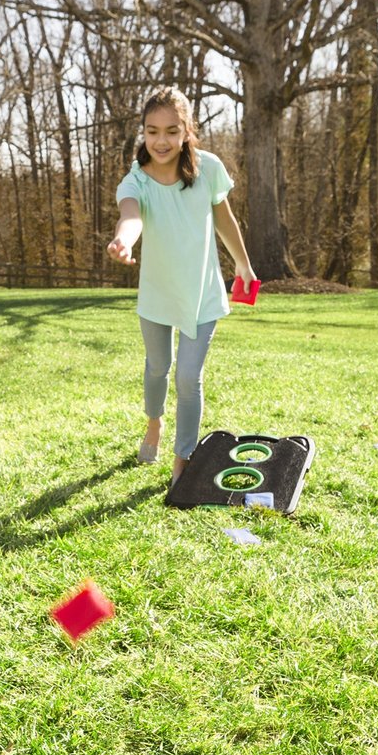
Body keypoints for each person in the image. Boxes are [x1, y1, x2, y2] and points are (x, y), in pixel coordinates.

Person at [107, 86, 257, 482]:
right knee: (158, 367)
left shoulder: (207, 169)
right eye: (152, 131)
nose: (161, 141)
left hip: (202, 293)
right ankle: (153, 423)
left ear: (188, 130)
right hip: (158, 292)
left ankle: (183, 459)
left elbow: (224, 219)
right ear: (143, 132)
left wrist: (243, 265)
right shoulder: (136, 180)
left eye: (172, 131)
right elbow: (131, 216)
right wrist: (123, 240)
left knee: (189, 378)